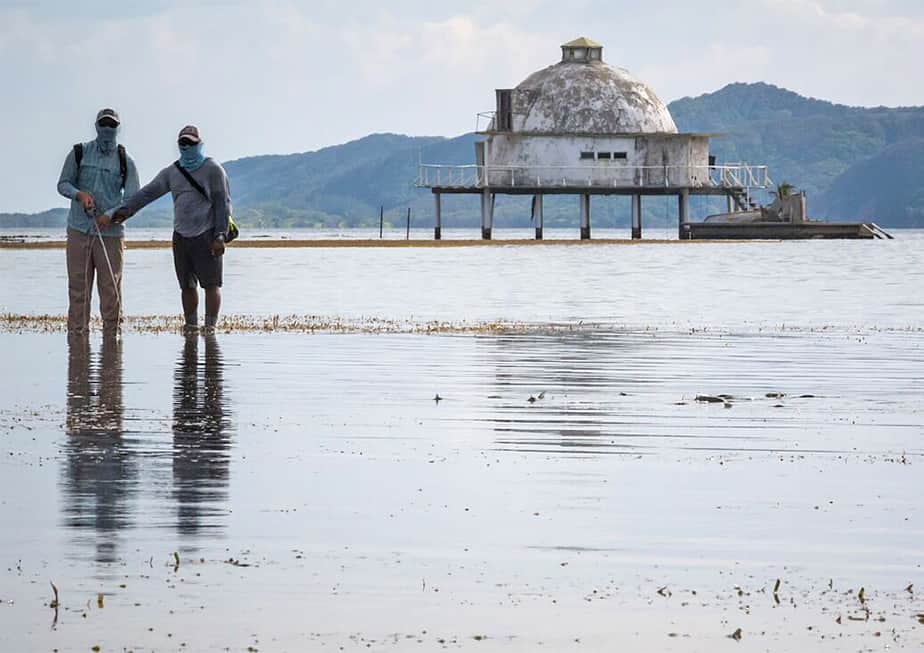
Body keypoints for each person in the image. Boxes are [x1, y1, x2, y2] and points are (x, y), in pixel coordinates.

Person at [101, 125, 231, 334]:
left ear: (200, 144)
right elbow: (147, 194)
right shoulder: (172, 172)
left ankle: (210, 328)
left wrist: (220, 235)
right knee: (187, 286)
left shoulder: (213, 169)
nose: (187, 147)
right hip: (181, 236)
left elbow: (222, 203)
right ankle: (190, 326)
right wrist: (124, 211)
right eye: (183, 143)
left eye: (191, 143)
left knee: (211, 284)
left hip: (207, 234)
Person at [57, 108, 140, 335]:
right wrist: (80, 195)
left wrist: (111, 215)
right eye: (103, 124)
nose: (107, 129)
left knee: (110, 290)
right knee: (78, 289)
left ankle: (112, 344)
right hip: (78, 229)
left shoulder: (126, 161)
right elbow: (63, 183)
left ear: (118, 129)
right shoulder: (79, 153)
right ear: (96, 126)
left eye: (112, 125)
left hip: (111, 235)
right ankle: (77, 340)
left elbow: (133, 200)